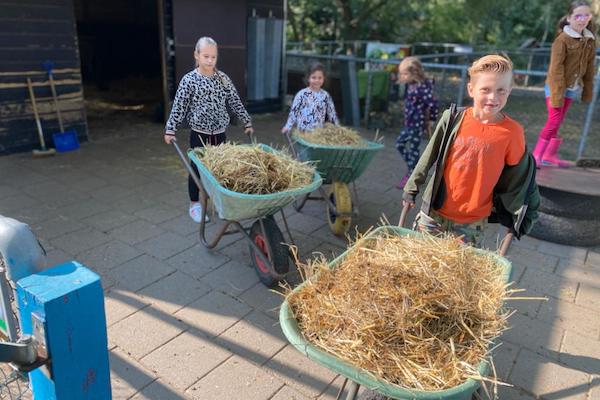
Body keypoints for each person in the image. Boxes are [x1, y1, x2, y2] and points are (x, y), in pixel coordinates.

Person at [402, 55, 539, 248]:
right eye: (486, 89)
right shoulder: (453, 119)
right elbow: (429, 156)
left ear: (509, 91)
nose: (493, 97)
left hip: (471, 222)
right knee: (420, 267)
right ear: (471, 89)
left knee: (457, 275)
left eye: (501, 91)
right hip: (433, 212)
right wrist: (411, 188)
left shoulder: (512, 133)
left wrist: (521, 215)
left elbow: (519, 179)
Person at [164, 37, 253, 223]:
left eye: (213, 56)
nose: (210, 60)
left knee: (221, 170)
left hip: (220, 134)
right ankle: (195, 205)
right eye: (206, 56)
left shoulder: (223, 79)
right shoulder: (189, 80)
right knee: (197, 169)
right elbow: (179, 106)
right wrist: (171, 129)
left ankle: (220, 203)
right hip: (199, 135)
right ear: (196, 55)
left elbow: (235, 102)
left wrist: (246, 121)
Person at [531, 0, 596, 168]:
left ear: (589, 18)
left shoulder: (589, 40)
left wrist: (587, 91)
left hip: (571, 87)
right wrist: (558, 93)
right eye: (578, 15)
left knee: (558, 121)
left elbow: (589, 67)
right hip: (555, 86)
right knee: (553, 121)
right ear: (569, 18)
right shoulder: (562, 40)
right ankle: (536, 155)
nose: (582, 19)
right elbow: (556, 69)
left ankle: (549, 156)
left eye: (586, 15)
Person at [395, 56, 439, 189]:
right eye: (401, 73)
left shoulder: (421, 88)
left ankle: (412, 174)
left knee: (411, 148)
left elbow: (433, 103)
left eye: (404, 73)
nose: (402, 76)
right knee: (400, 144)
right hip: (410, 123)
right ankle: (413, 169)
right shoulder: (412, 85)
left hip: (416, 124)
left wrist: (432, 119)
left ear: (414, 73)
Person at [281, 62, 339, 134]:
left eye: (320, 78)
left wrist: (337, 128)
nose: (317, 80)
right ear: (308, 78)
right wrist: (288, 126)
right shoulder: (302, 94)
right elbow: (294, 112)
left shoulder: (325, 96)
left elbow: (332, 113)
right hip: (302, 131)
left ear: (324, 79)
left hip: (317, 133)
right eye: (313, 77)